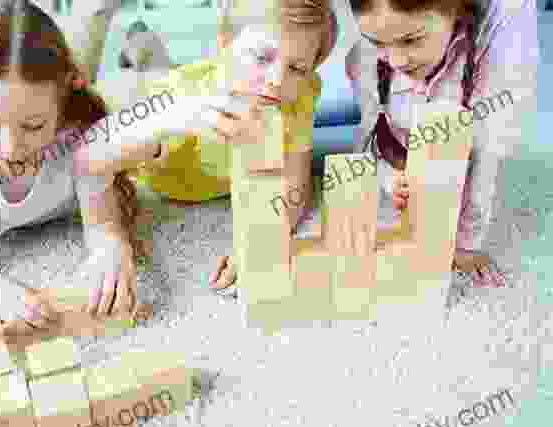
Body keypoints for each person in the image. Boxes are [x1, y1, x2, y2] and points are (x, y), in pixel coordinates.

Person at [0, 0, 151, 342]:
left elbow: (104, 226)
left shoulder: (84, 136)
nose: (11, 148)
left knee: (150, 88)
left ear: (63, 96)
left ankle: (145, 47)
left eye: (33, 126)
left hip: (82, 96)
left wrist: (111, 246)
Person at [84, 0, 338, 296]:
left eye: (297, 67)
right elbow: (97, 160)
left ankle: (148, 49)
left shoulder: (301, 93)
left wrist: (264, 237)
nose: (277, 81)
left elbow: (296, 184)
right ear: (224, 42)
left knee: (163, 66)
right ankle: (143, 47)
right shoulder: (177, 99)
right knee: (155, 75)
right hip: (168, 171)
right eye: (262, 57)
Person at [346, 0, 538, 287]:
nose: (397, 60)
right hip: (403, 126)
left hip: (469, 98)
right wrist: (387, 177)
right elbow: (368, 136)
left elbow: (488, 148)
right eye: (378, 41)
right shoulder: (365, 59)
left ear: (458, 11)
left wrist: (465, 243)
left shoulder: (503, 44)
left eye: (411, 39)